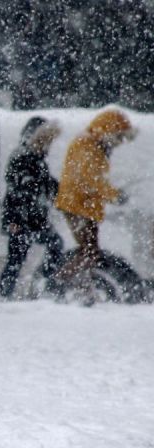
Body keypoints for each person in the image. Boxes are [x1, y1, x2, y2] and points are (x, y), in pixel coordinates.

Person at [53, 109, 136, 305]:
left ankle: (82, 288)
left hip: (83, 206)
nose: (119, 143)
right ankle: (60, 281)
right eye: (118, 137)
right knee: (90, 252)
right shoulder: (87, 146)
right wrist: (114, 195)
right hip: (78, 206)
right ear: (108, 132)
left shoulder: (93, 145)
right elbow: (91, 180)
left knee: (89, 251)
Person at [0, 117, 64, 298]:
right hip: (21, 219)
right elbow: (19, 192)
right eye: (47, 140)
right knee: (17, 258)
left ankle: (37, 281)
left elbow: (46, 185)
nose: (49, 145)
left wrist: (62, 192)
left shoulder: (35, 158)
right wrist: (14, 220)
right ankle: (9, 292)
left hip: (33, 218)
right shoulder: (23, 157)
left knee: (19, 258)